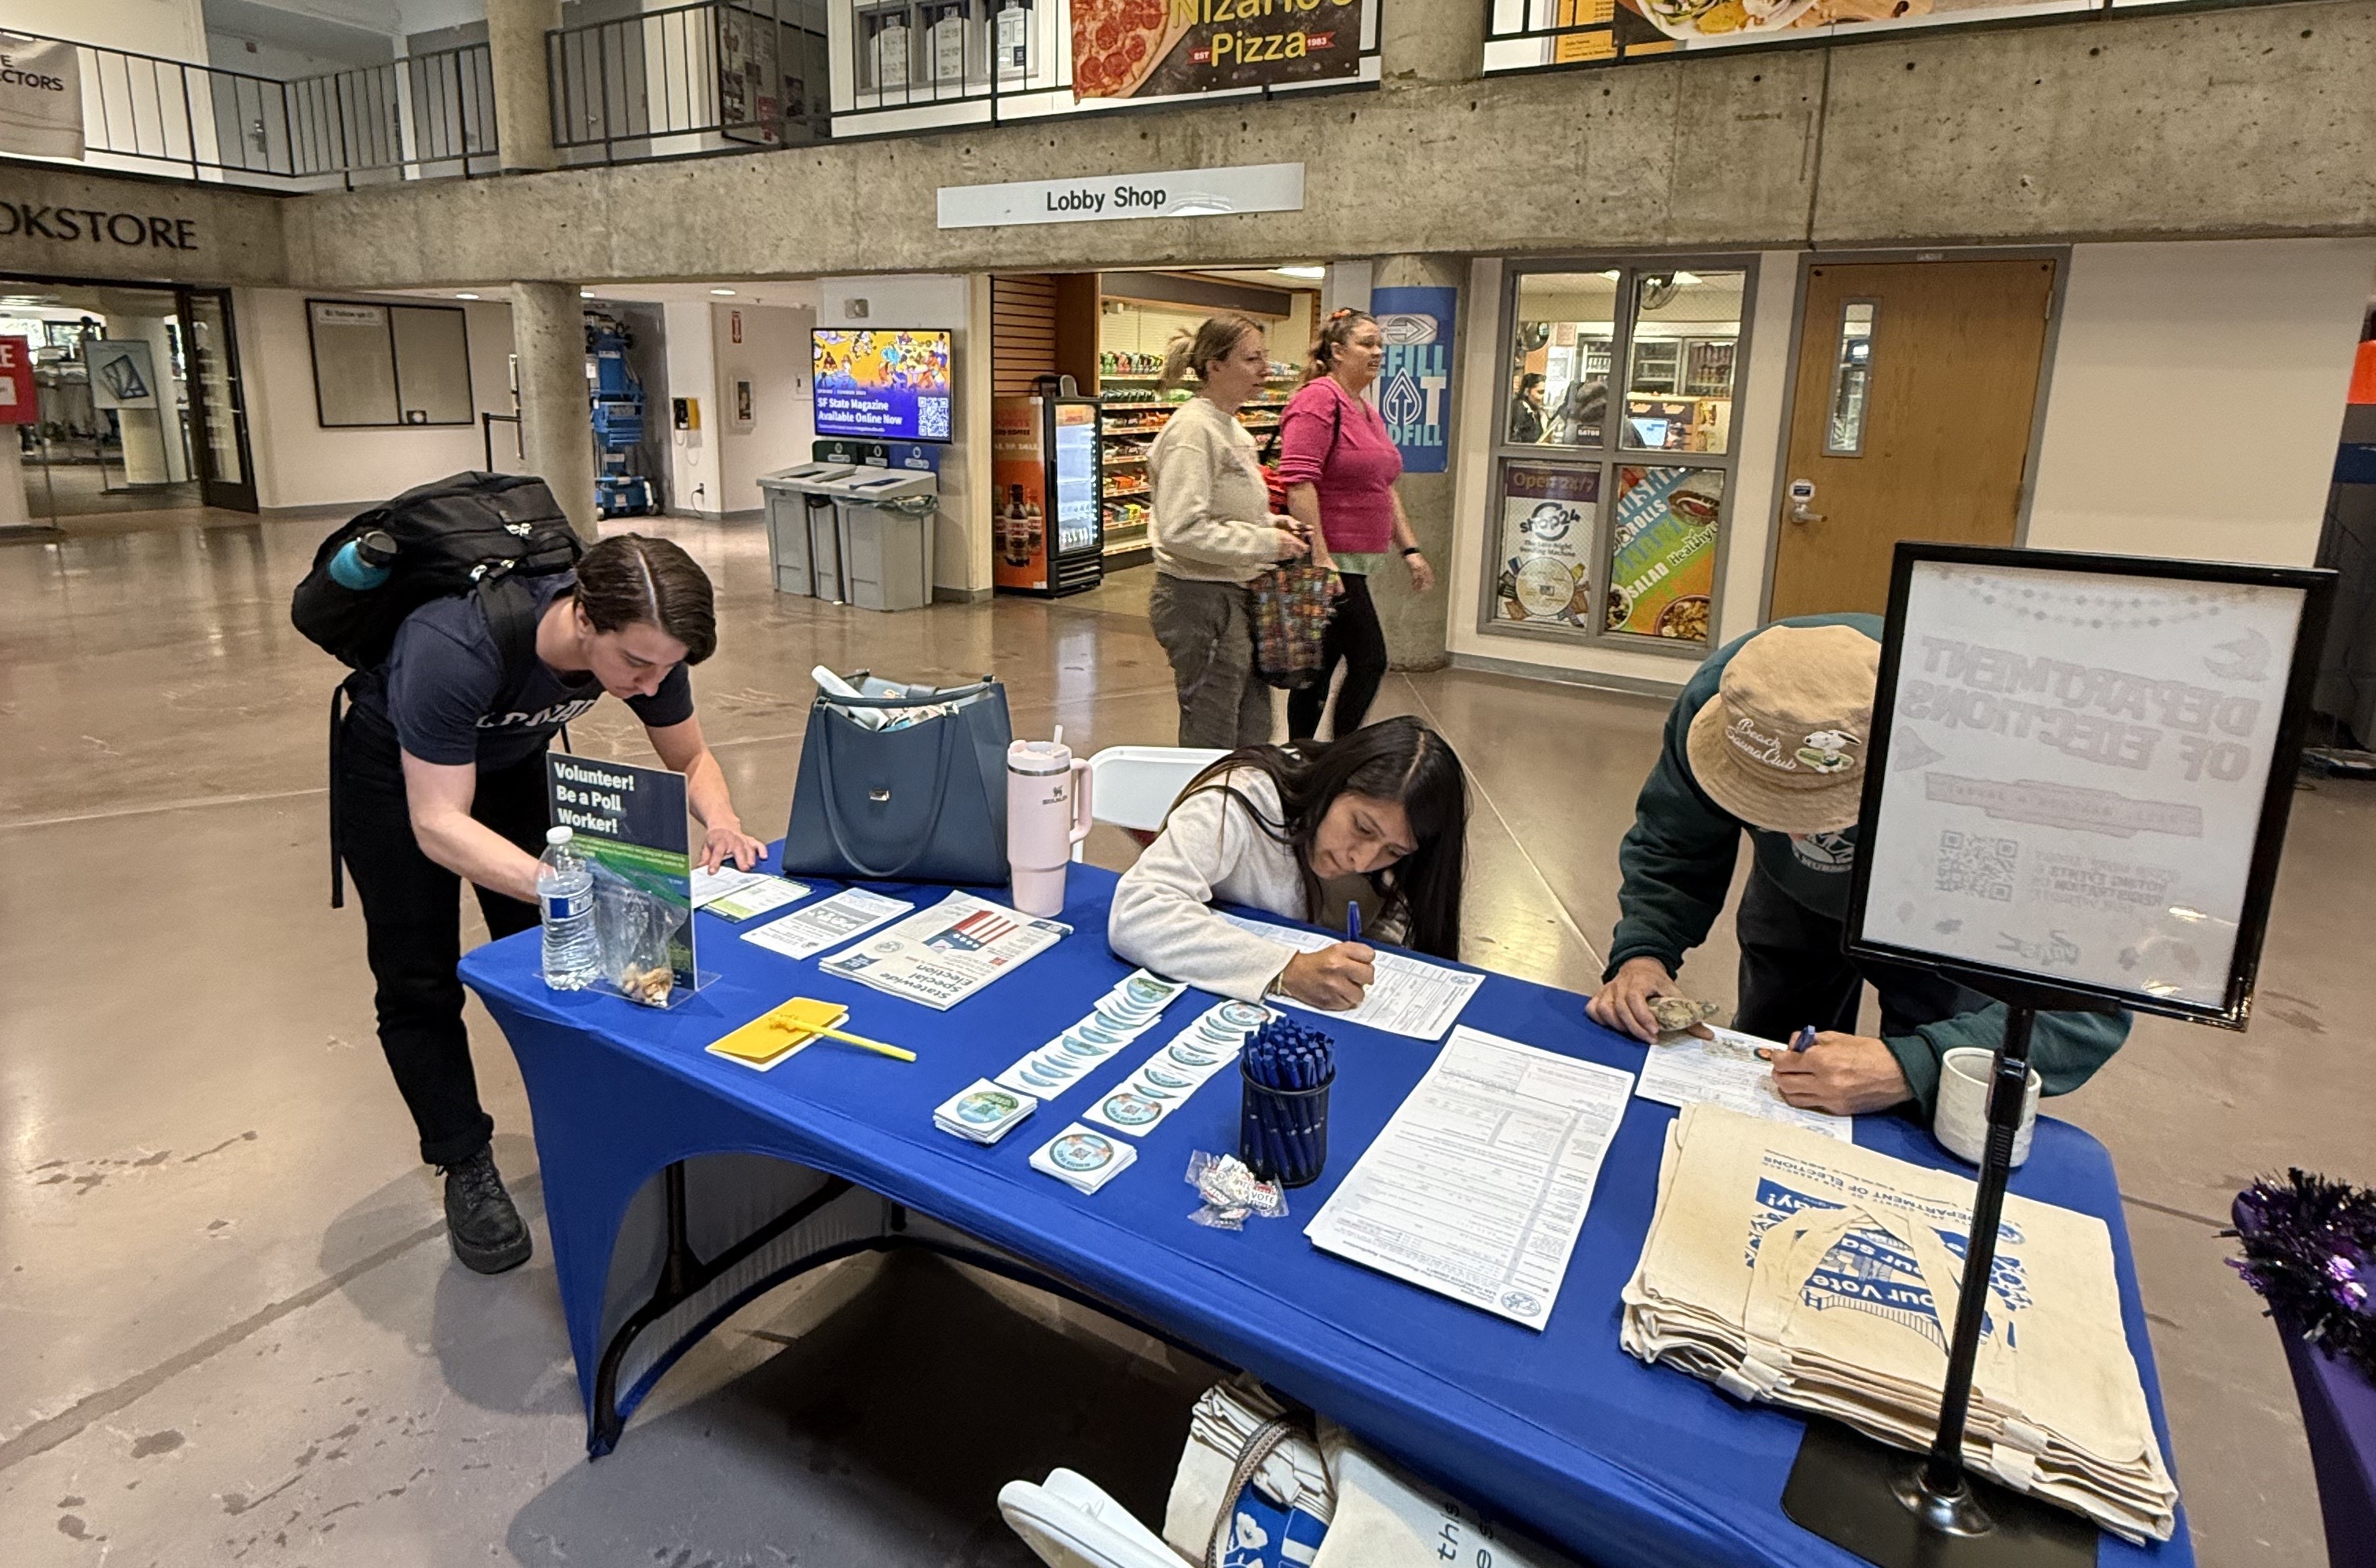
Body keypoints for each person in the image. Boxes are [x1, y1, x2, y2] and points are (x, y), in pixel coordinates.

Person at [336, 533, 766, 1273]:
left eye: (668, 667)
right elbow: (437, 823)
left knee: (571, 954)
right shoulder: (452, 647)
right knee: (418, 976)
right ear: (583, 619)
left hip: (510, 760)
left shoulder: (648, 648)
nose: (650, 681)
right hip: (396, 774)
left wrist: (721, 821)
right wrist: (559, 882)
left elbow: (690, 756)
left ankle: (583, 1128)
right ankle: (463, 1158)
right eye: (636, 664)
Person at [1586, 617, 2130, 1117]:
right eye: (1767, 809)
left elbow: (2086, 1009)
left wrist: (1912, 1065)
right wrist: (1645, 952)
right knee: (1779, 1071)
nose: (1799, 835)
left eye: (1820, 812)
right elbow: (1674, 841)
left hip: (1942, 915)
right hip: (1792, 900)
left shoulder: (2006, 774)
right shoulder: (1726, 699)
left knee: (1925, 1088)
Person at [1109, 716, 1468, 1009]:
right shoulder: (1241, 798)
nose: (1362, 859)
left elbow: (1398, 921)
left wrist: (1368, 962)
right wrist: (1288, 970)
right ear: (1334, 784)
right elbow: (1139, 911)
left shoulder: (1393, 857)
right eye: (1361, 827)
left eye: (1394, 851)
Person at [1145, 314, 1311, 748]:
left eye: (1265, 358)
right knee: (1213, 730)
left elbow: (1224, 508)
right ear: (1214, 366)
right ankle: (1207, 812)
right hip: (1199, 598)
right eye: (1251, 358)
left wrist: (1272, 523)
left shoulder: (1231, 427)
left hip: (1234, 591)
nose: (1265, 369)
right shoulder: (1192, 432)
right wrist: (1266, 541)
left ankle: (1241, 807)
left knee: (1252, 726)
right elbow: (1182, 529)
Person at [1278, 308, 1436, 742]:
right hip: (1332, 563)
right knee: (1370, 659)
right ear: (1337, 351)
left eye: (1380, 344)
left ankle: (1303, 756)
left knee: (1321, 665)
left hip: (1359, 560)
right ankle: (1341, 751)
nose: (1378, 352)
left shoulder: (1366, 410)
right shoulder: (1316, 400)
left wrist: (1410, 549)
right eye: (1367, 343)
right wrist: (1321, 557)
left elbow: (1384, 487)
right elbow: (1299, 482)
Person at [1509, 371, 1547, 444]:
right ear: (1527, 391)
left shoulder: (1535, 411)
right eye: (1540, 392)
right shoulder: (1519, 409)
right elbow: (1518, 439)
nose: (1541, 397)